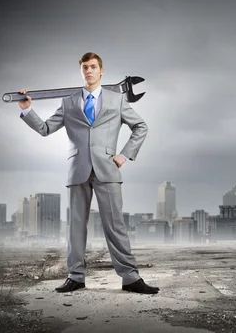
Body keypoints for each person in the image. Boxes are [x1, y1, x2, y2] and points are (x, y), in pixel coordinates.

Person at [18, 52, 159, 295]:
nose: (89, 71)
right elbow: (45, 129)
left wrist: (124, 155)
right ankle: (75, 277)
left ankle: (130, 278)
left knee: (115, 226)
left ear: (101, 71)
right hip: (77, 171)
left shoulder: (117, 100)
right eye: (85, 67)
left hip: (108, 169)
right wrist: (27, 110)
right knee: (75, 227)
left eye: (93, 67)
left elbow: (140, 126)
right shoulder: (69, 102)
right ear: (81, 71)